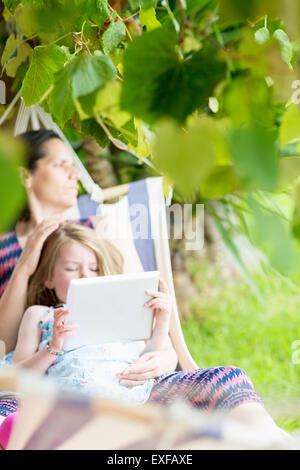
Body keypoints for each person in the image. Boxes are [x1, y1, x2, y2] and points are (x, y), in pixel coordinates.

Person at [1, 223, 290, 449]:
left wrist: (161, 324)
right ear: (49, 278)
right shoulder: (40, 314)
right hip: (75, 403)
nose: (86, 276)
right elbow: (18, 378)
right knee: (6, 407)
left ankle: (268, 439)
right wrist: (53, 348)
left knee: (229, 377)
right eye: (72, 268)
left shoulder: (121, 305)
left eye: (94, 268)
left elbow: (151, 356)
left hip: (140, 397)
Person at [0, 130, 177, 419]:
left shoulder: (100, 230)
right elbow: (4, 347)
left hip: (121, 377)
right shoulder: (4, 249)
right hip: (46, 378)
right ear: (25, 176)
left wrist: (167, 359)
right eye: (61, 165)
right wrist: (25, 264)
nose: (76, 174)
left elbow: (145, 314)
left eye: (75, 164)